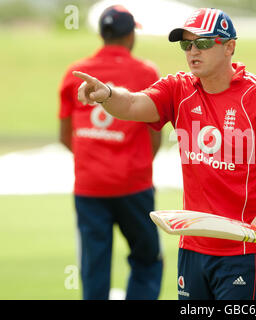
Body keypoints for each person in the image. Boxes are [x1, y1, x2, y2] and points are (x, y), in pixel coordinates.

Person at [73, 8, 256, 300]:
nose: (192, 52)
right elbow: (132, 105)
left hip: (246, 249)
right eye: (186, 44)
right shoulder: (178, 89)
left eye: (202, 43)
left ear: (229, 47)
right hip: (192, 248)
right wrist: (108, 95)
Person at [59, 5, 163, 300]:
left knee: (94, 267)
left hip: (89, 186)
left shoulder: (74, 73)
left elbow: (66, 136)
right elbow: (155, 131)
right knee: (147, 259)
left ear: (102, 34)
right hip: (134, 184)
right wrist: (138, 162)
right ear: (130, 35)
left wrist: (92, 160)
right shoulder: (146, 72)